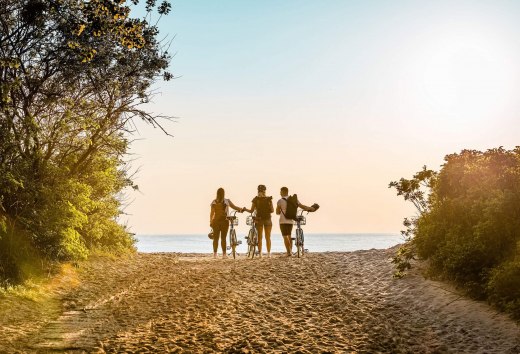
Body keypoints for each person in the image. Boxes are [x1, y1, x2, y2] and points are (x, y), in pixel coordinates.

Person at [276, 186, 316, 256]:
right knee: (289, 236)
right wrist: (310, 208)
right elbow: (302, 206)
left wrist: (281, 210)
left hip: (283, 221)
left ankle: (288, 252)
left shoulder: (280, 201)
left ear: (282, 192)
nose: (280, 193)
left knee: (285, 236)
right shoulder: (294, 200)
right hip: (291, 220)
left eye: (280, 191)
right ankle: (290, 251)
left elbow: (277, 212)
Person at [210, 188, 245, 259]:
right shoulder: (227, 201)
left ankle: (215, 255)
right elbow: (234, 207)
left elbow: (212, 213)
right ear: (224, 193)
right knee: (223, 238)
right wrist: (241, 209)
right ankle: (224, 255)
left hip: (216, 221)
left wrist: (211, 221)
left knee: (216, 238)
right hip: (224, 221)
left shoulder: (214, 202)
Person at [244, 184, 274, 258]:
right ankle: (268, 253)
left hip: (259, 219)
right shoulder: (269, 199)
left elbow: (251, 210)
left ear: (258, 190)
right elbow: (272, 210)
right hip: (268, 219)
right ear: (265, 191)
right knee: (268, 237)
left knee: (259, 237)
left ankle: (260, 254)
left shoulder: (255, 199)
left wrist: (245, 209)